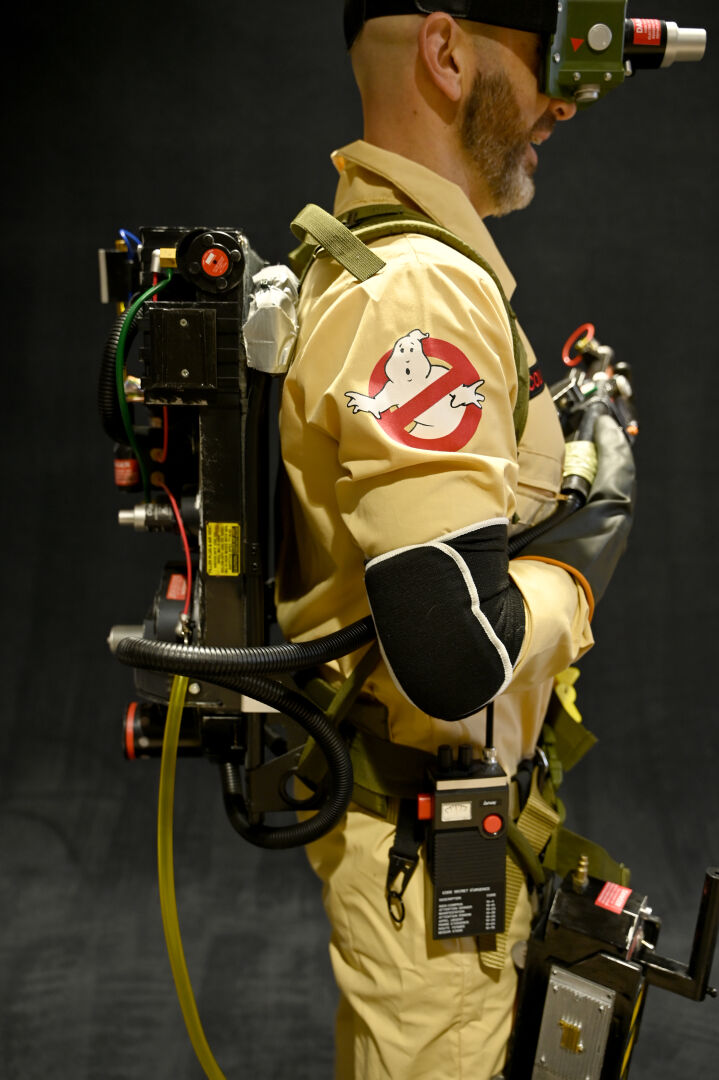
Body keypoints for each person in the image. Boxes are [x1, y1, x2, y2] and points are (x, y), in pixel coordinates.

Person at [276, 4, 633, 1078]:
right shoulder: (420, 292)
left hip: (435, 834)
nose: (561, 103)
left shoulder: (363, 256)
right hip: (428, 862)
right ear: (443, 52)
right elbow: (451, 651)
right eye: (544, 62)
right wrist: (578, 559)